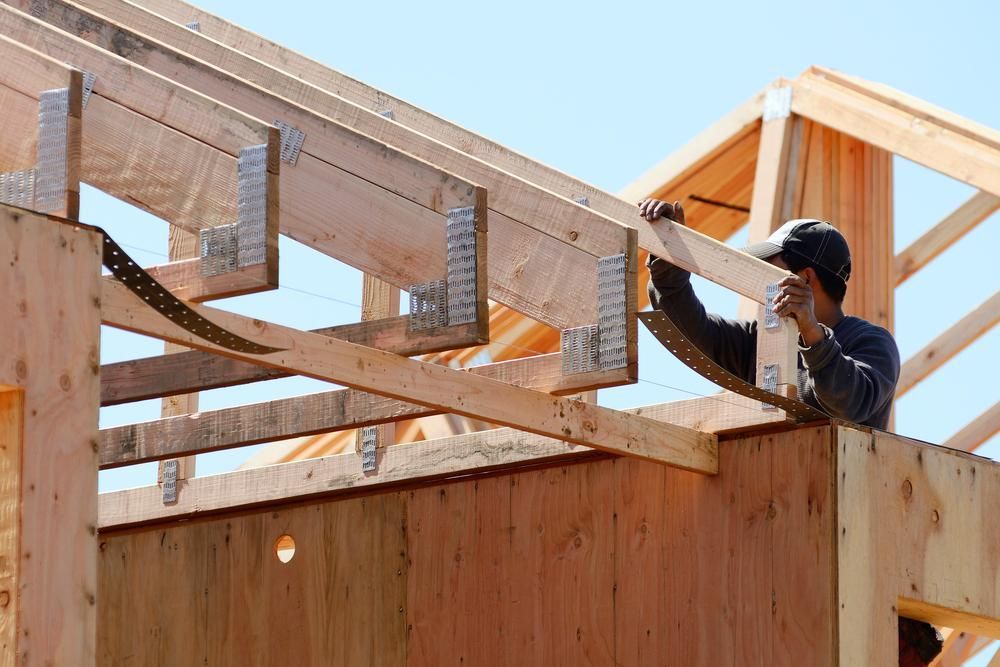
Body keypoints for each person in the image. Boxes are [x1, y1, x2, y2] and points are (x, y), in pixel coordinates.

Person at [638, 198, 942, 666]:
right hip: (780, 544)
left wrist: (812, 335)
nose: (759, 282)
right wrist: (669, 263)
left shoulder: (870, 342)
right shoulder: (767, 343)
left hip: (846, 546)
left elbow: (852, 400)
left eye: (770, 269)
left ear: (804, 280)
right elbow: (699, 335)